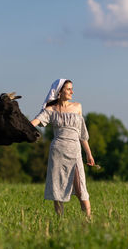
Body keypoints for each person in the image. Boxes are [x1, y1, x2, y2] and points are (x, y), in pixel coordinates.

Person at [30, 79, 95, 217]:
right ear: (59, 92)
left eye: (72, 88)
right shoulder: (50, 110)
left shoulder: (77, 107)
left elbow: (82, 134)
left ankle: (89, 221)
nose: (72, 91)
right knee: (57, 189)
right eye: (68, 89)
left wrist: (89, 154)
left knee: (81, 189)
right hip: (58, 152)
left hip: (75, 152)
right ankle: (60, 221)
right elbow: (34, 122)